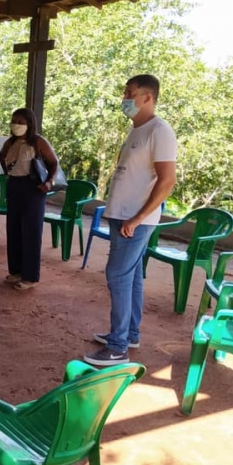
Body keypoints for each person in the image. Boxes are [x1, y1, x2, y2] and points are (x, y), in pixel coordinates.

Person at [84, 74, 177, 367]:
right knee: (132, 276)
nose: (125, 98)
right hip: (121, 215)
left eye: (130, 93)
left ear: (148, 97)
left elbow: (167, 181)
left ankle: (117, 347)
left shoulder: (159, 131)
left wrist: (138, 218)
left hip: (135, 220)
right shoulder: (138, 130)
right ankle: (129, 334)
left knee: (118, 276)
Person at [0, 107, 60, 290]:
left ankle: (30, 276)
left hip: (33, 188)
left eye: (21, 122)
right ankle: (16, 271)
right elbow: (2, 156)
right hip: (14, 185)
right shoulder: (10, 142)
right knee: (14, 228)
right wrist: (7, 173)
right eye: (14, 121)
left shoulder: (38, 142)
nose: (16, 125)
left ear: (30, 124)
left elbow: (54, 162)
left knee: (31, 231)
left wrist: (49, 181)